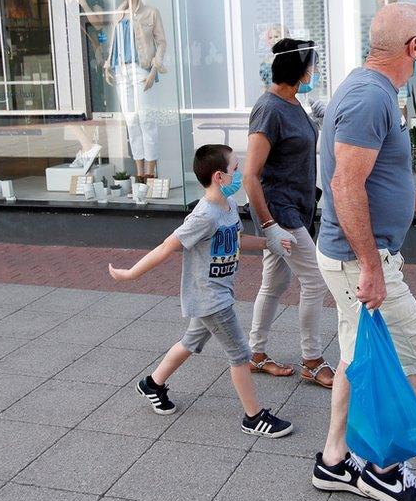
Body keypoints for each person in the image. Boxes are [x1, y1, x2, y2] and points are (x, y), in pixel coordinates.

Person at [310, 3, 416, 501]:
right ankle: (384, 469)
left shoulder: (373, 88)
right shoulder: (372, 97)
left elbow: (382, 172)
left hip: (352, 256)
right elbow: (345, 184)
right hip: (359, 260)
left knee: (352, 357)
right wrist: (371, 266)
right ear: (414, 47)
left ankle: (333, 459)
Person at [108, 144, 293, 439]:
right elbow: (167, 247)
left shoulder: (228, 205)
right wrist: (130, 274)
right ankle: (254, 417)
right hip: (211, 298)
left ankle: (152, 384)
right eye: (235, 168)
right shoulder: (203, 215)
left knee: (189, 342)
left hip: (217, 292)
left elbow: (234, 239)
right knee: (240, 354)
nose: (240, 173)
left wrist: (269, 244)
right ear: (219, 176)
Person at [244, 39, 334, 389]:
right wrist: (269, 227)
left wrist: (321, 119)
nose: (314, 71)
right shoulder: (268, 108)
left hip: (299, 207)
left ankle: (256, 354)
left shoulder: (295, 102)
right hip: (280, 213)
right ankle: (312, 360)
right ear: (298, 69)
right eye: (311, 65)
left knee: (275, 282)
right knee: (315, 279)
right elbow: (251, 175)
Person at [104, 0, 168, 179]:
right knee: (131, 122)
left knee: (146, 121)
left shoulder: (150, 12)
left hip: (141, 69)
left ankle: (150, 173)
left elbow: (162, 42)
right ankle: (140, 173)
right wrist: (108, 65)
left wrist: (153, 70)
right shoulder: (118, 14)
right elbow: (113, 42)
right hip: (121, 72)